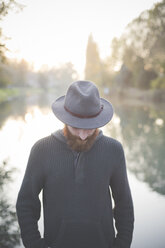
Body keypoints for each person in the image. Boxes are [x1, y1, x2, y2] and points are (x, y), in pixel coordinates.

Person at [16, 80, 134, 248]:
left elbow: (125, 206)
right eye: (77, 127)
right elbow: (25, 204)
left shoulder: (114, 150)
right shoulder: (41, 150)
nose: (83, 135)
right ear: (65, 119)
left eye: (89, 128)